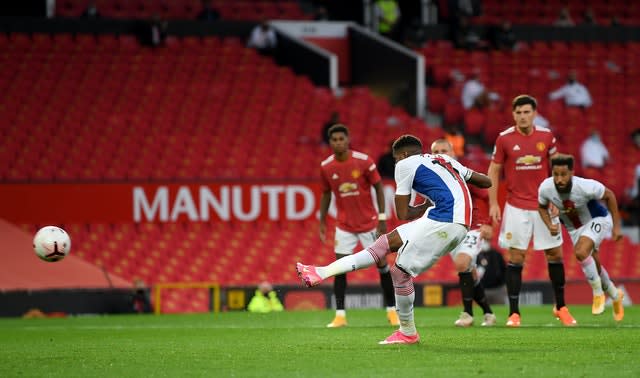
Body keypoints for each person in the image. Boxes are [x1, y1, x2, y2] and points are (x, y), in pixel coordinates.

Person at [298, 134, 492, 344]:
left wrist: (423, 206)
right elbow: (486, 181)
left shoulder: (405, 164)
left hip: (444, 221)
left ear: (404, 154)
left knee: (399, 273)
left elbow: (403, 213)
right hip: (451, 220)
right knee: (383, 244)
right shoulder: (444, 159)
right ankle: (322, 271)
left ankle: (407, 332)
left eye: (396, 158)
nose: (396, 163)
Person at [487, 94, 576, 327]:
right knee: (516, 258)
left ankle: (561, 307)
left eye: (527, 112)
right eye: (518, 112)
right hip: (516, 206)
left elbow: (559, 170)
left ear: (534, 113)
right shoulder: (504, 139)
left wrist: (559, 198)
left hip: (545, 205)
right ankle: (514, 313)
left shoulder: (546, 136)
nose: (522, 116)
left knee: (555, 254)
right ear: (513, 114)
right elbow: (493, 171)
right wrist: (493, 203)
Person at [317, 124, 398, 328]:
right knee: (339, 269)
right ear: (330, 142)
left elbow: (379, 188)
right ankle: (340, 316)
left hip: (369, 224)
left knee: (382, 267)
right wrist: (322, 220)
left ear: (348, 139)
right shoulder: (326, 166)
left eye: (341, 139)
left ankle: (392, 312)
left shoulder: (364, 162)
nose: (338, 142)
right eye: (334, 139)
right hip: (344, 226)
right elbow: (326, 194)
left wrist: (381, 218)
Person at [538, 155, 624, 321]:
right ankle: (615, 294)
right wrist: (550, 225)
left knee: (581, 252)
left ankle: (598, 293)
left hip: (597, 219)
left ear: (572, 173)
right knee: (594, 264)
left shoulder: (585, 186)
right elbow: (541, 207)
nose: (559, 179)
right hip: (574, 230)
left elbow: (610, 195)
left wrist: (616, 227)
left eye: (563, 174)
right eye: (555, 174)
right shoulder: (546, 188)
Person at [431, 138, 496, 327]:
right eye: (437, 151)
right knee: (470, 273)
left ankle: (467, 314)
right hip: (450, 230)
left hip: (472, 227)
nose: (441, 154)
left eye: (445, 150)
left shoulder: (464, 173)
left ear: (453, 154)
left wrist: (488, 223)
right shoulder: (430, 178)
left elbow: (487, 196)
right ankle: (488, 313)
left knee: (462, 263)